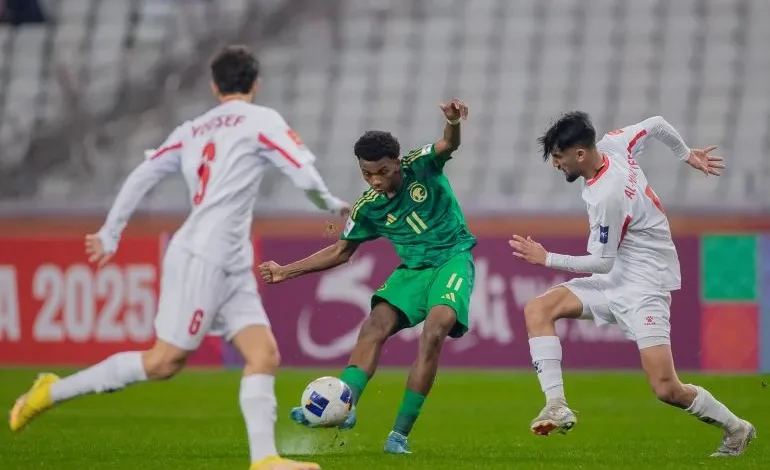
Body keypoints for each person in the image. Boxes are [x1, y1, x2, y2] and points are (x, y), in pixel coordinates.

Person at [8, 45, 350, 470]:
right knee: (163, 362)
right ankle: (51, 391)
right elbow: (302, 172)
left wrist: (110, 232)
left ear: (213, 86)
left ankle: (265, 460)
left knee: (263, 355)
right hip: (202, 255)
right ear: (255, 83)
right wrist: (334, 204)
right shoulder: (262, 120)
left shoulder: (193, 128)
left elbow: (143, 174)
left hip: (229, 257)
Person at [509, 111, 755, 457]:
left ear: (580, 154)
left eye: (559, 157)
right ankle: (557, 405)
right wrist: (686, 154)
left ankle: (737, 428)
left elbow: (601, 260)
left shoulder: (608, 195)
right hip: (614, 278)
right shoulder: (614, 143)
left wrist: (546, 258)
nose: (556, 164)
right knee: (538, 308)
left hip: (644, 287)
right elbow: (655, 123)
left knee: (666, 388)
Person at [258, 99, 473, 454]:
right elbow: (341, 250)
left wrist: (452, 121)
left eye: (383, 172)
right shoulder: (368, 207)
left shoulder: (422, 166)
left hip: (451, 260)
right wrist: (286, 271)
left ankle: (399, 436)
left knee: (435, 330)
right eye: (367, 174)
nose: (375, 181)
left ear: (397, 163)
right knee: (374, 326)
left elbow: (449, 143)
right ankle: (343, 404)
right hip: (412, 272)